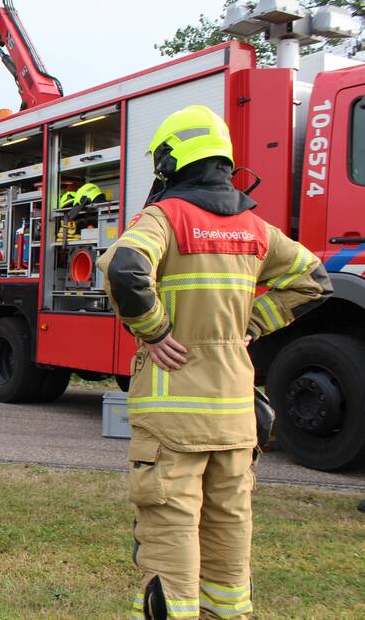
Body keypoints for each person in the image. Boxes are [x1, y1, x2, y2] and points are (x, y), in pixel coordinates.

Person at [97, 105, 331, 620]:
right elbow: (315, 278)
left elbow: (125, 265)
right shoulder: (256, 228)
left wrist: (155, 331)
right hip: (235, 418)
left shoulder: (166, 216)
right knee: (229, 536)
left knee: (171, 538)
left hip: (173, 418)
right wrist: (250, 324)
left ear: (170, 161)